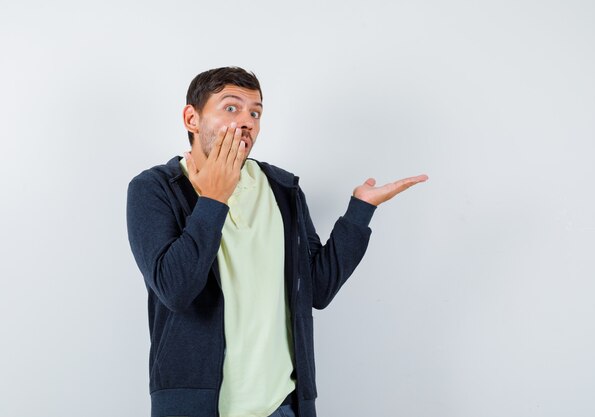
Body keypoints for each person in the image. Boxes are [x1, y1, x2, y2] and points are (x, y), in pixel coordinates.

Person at [126, 66, 428, 417]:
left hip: (282, 407)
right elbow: (175, 290)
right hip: (196, 407)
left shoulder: (282, 189)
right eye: (231, 107)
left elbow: (318, 289)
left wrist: (360, 211)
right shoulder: (155, 188)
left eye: (255, 112)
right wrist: (213, 200)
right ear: (191, 118)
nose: (247, 121)